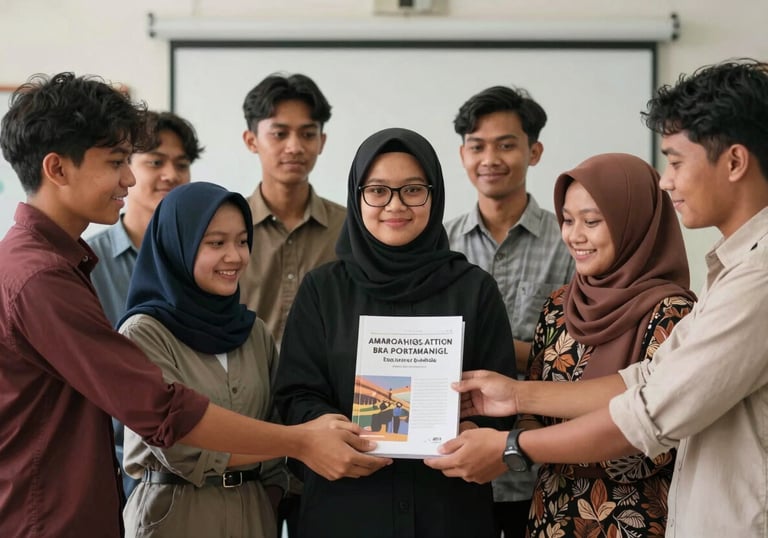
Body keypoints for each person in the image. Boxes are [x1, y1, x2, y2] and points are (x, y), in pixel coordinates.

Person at [0, 72, 388, 538]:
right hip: (48, 518)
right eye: (117, 162)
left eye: (241, 242)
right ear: (57, 169)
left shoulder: (51, 263)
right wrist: (299, 441)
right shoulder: (41, 278)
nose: (130, 178)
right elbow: (160, 410)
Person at [425, 59, 768, 537]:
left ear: (733, 162)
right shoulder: (734, 269)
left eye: (675, 161)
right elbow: (645, 379)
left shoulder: (757, 279)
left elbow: (648, 414)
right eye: (570, 219)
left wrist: (513, 446)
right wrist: (517, 394)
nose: (666, 181)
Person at [273, 127, 517, 538]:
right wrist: (328, 433)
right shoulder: (323, 290)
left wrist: (480, 437)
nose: (395, 205)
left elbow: (505, 399)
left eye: (412, 190)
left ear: (433, 195)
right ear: (357, 195)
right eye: (378, 190)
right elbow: (295, 395)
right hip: (345, 512)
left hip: (449, 512)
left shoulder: (474, 289)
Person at [522, 153, 694, 535]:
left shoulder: (674, 314)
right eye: (567, 220)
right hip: (550, 515)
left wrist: (516, 445)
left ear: (633, 222)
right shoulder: (557, 307)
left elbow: (655, 438)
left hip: (635, 522)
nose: (574, 235)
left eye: (593, 221)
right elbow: (531, 401)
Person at [444, 85, 574, 537]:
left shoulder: (572, 242)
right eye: (477, 146)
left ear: (533, 151)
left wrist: (491, 354)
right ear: (462, 154)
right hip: (456, 457)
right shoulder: (440, 245)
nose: (490, 159)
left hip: (543, 464)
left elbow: (580, 355)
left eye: (506, 145)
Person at [119, 182, 284, 537]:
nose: (235, 256)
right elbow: (181, 447)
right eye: (216, 243)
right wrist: (299, 441)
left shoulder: (255, 333)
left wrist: (270, 500)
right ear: (178, 246)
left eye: (242, 241)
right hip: (176, 516)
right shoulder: (144, 333)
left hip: (253, 513)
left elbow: (276, 439)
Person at [88, 110, 203, 499]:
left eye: (182, 164)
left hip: (199, 468)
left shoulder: (205, 263)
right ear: (127, 170)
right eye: (156, 161)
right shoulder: (88, 263)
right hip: (115, 473)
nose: (171, 174)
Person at [239, 73, 345, 346]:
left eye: (308, 134)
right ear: (251, 141)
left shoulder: (349, 228)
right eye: (279, 133)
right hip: (245, 386)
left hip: (327, 386)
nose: (295, 147)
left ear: (322, 141)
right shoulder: (225, 228)